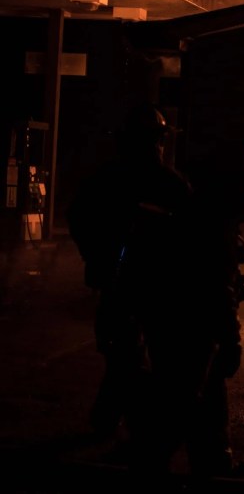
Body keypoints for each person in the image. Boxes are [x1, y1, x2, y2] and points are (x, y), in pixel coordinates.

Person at [128, 139, 244, 479]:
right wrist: (232, 340)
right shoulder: (213, 224)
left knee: (207, 396)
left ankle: (213, 464)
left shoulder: (199, 211)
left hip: (173, 321)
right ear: (235, 184)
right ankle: (148, 469)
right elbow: (215, 292)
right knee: (180, 400)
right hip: (190, 328)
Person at [67, 103, 192, 446]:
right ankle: (136, 430)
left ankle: (108, 421)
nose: (158, 146)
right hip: (141, 285)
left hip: (142, 285)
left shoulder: (110, 180)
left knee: (127, 356)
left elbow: (79, 219)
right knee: (132, 358)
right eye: (155, 139)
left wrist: (95, 258)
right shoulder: (166, 183)